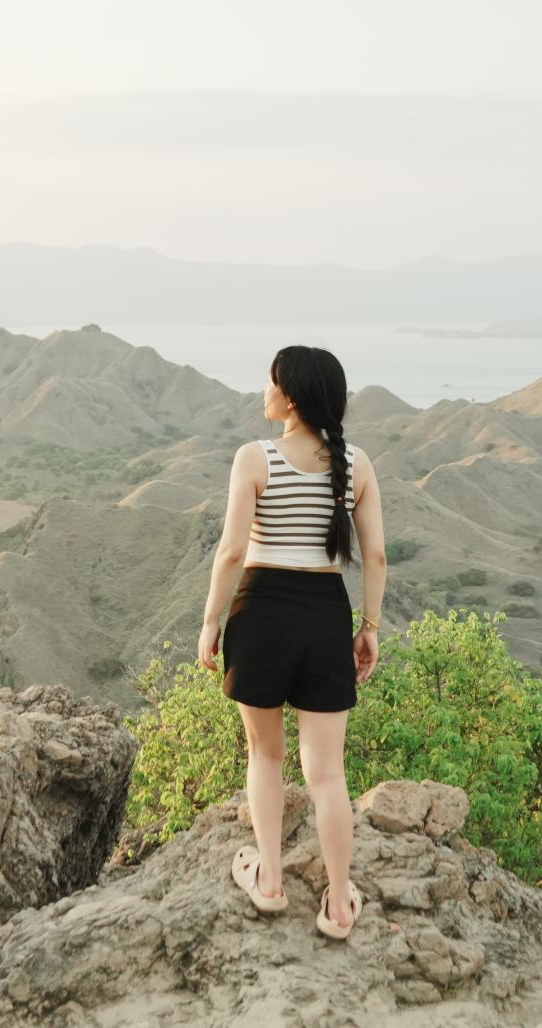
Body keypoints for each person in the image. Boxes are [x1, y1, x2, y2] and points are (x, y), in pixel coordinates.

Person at [197, 345, 386, 940]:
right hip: (325, 613)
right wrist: (370, 627)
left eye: (271, 382)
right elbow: (376, 556)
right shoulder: (356, 464)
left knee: (266, 756)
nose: (264, 390)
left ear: (293, 398)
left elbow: (230, 551)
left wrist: (210, 620)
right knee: (327, 773)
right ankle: (336, 904)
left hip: (260, 610)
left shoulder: (255, 458)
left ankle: (271, 881)